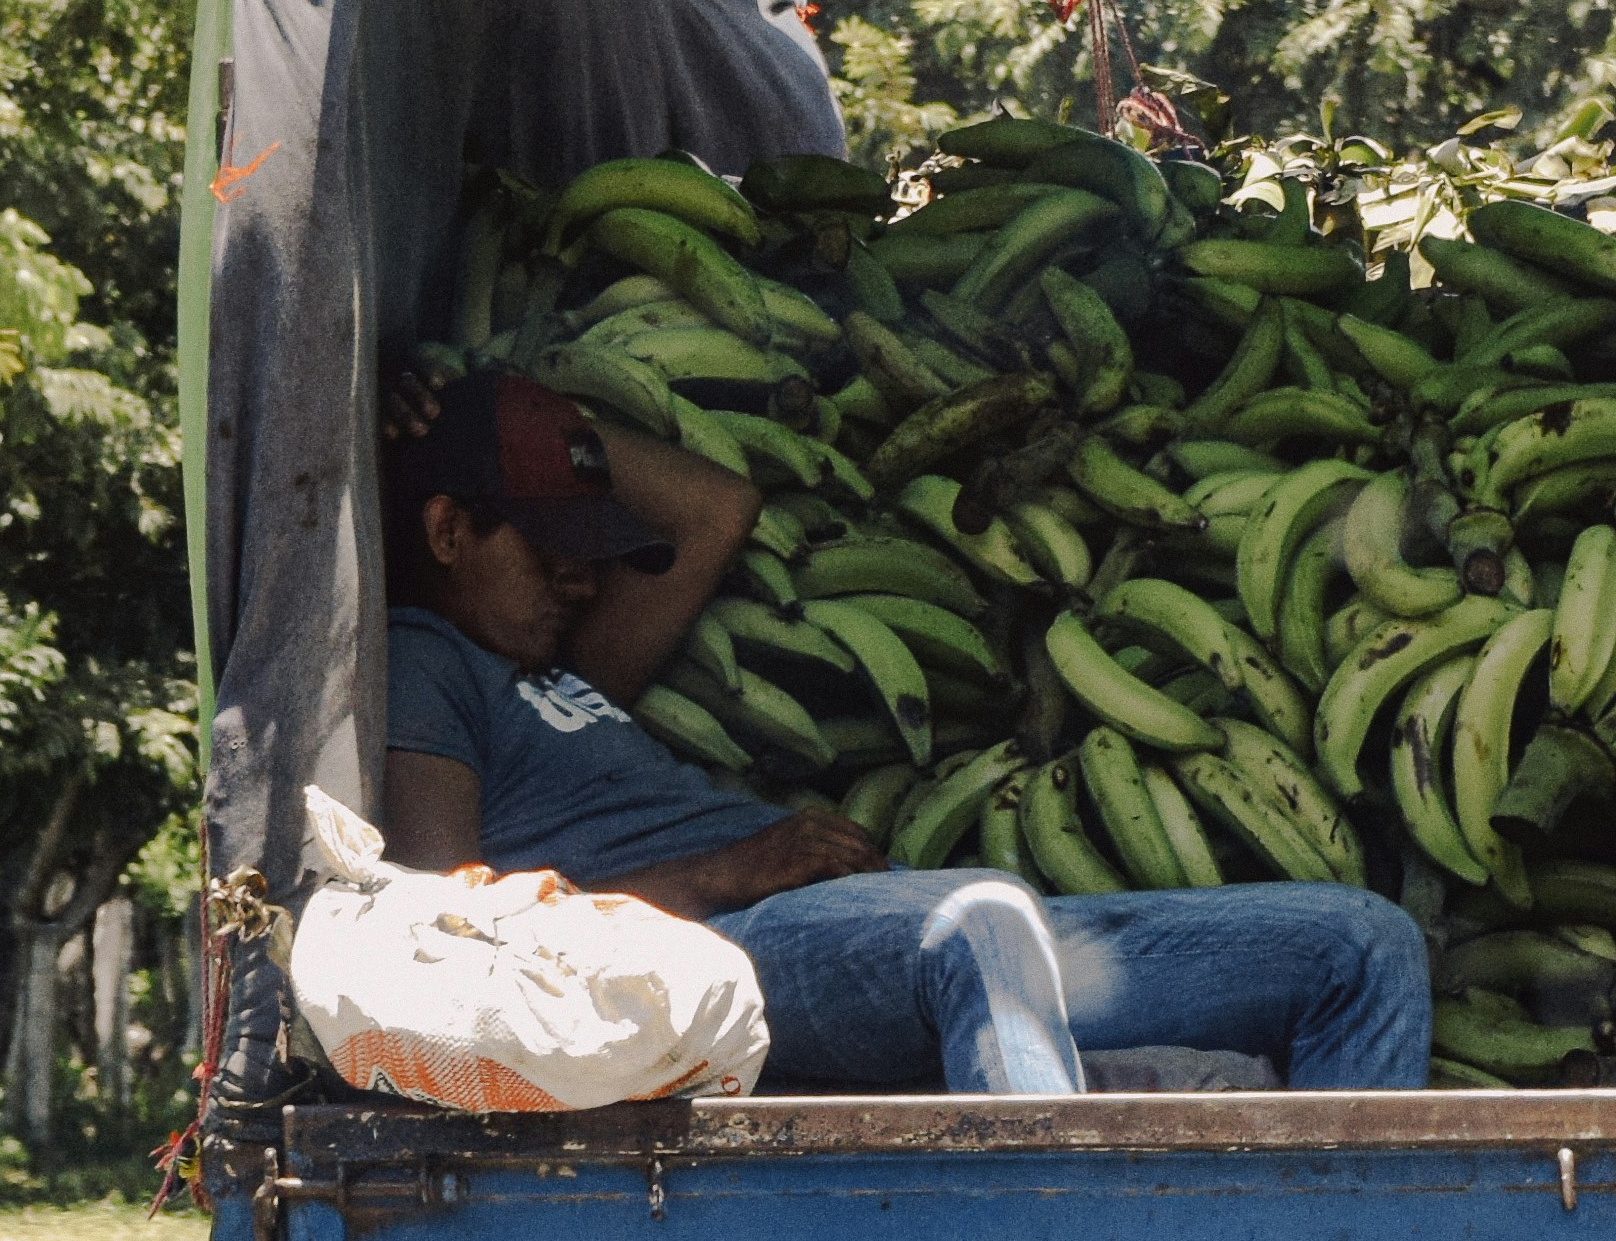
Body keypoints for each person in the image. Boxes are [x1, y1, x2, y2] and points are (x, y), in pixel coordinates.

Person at [374, 368, 1429, 1095]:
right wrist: (727, 873)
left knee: (1362, 943)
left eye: (590, 546)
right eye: (550, 544)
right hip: (702, 957)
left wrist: (496, 403)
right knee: (980, 922)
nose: (584, 576)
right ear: (447, 529)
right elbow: (455, 944)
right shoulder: (427, 660)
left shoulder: (559, 666)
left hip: (864, 925)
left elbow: (717, 506)